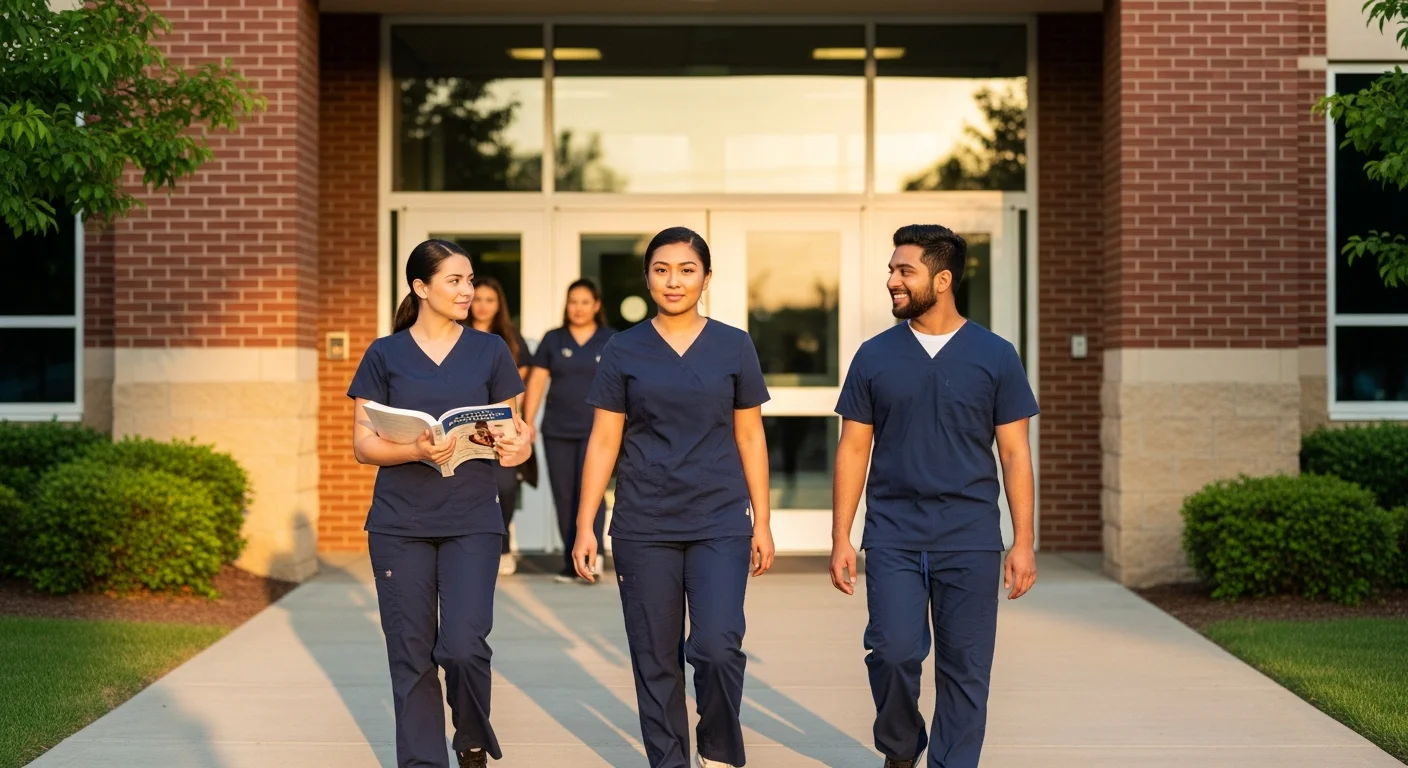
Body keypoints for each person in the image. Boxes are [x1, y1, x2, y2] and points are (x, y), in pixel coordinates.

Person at [829, 224, 1039, 768]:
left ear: (941, 280)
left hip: (969, 537)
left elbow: (1015, 453)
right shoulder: (874, 356)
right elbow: (853, 450)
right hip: (894, 535)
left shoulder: (995, 355)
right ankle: (900, 751)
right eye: (892, 269)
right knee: (894, 654)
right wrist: (840, 538)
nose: (892, 280)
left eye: (905, 271)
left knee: (965, 668)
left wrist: (1023, 542)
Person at [571, 227, 776, 768]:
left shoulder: (734, 344)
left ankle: (719, 749)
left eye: (687, 269)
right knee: (654, 658)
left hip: (719, 519)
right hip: (644, 522)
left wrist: (764, 521)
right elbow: (605, 439)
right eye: (661, 269)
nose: (674, 280)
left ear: (707, 279)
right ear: (647, 278)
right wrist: (585, 523)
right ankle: (668, 760)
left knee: (717, 646)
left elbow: (750, 435)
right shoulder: (624, 348)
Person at [347, 239, 534, 768]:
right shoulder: (384, 354)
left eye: (470, 280)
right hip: (398, 523)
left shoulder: (491, 351)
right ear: (420, 287)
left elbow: (512, 432)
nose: (467, 290)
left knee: (463, 646)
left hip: (472, 518)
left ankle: (471, 734)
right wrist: (415, 448)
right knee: (410, 654)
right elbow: (363, 445)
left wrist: (517, 445)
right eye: (454, 280)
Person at [523, 278, 616, 584]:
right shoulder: (553, 339)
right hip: (558, 431)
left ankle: (594, 556)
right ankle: (569, 561)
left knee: (591, 493)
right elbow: (536, 382)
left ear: (597, 305)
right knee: (564, 495)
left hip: (597, 433)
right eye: (573, 302)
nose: (578, 308)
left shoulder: (611, 340)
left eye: (585, 302)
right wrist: (528, 421)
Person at [466, 275, 533, 576]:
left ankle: (504, 541)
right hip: (466, 423)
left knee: (505, 485)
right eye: (477, 299)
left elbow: (519, 385)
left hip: (500, 421)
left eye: (489, 300)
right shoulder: (457, 335)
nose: (482, 306)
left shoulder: (509, 338)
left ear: (499, 305)